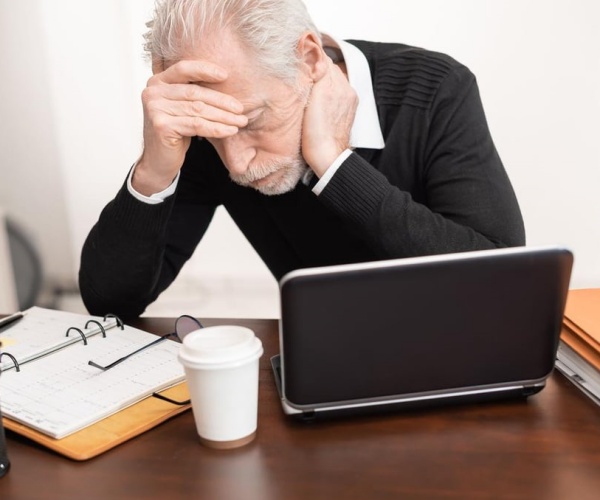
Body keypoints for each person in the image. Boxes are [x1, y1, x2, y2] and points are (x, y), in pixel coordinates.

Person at [79, 0, 525, 320]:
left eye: (253, 121)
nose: (236, 164)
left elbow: (501, 285)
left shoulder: (435, 89)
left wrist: (334, 165)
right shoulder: (208, 127)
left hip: (458, 354)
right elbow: (110, 301)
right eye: (214, 136)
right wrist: (154, 170)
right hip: (328, 368)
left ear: (309, 59)